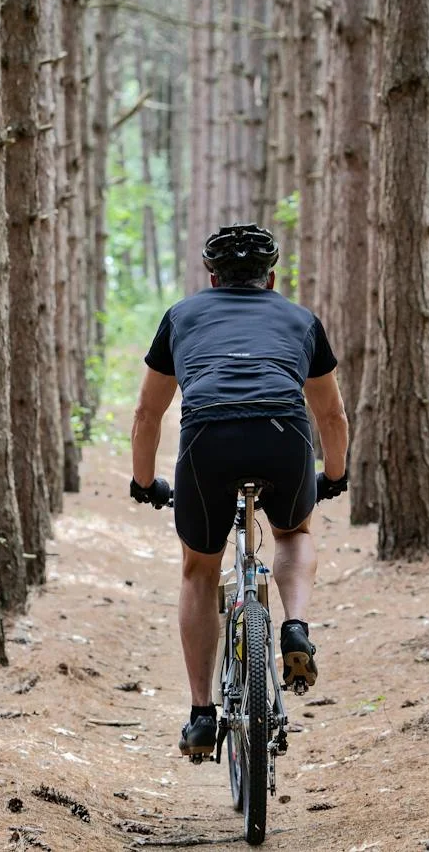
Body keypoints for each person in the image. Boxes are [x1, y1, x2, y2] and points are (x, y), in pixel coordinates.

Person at [128, 223, 350, 758]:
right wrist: (336, 475)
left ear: (211, 277)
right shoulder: (300, 319)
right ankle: (294, 627)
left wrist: (143, 482)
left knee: (199, 568)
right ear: (271, 278)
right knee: (294, 533)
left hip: (208, 438)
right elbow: (331, 414)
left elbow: (147, 412)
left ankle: (203, 714)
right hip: (283, 433)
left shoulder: (182, 316)